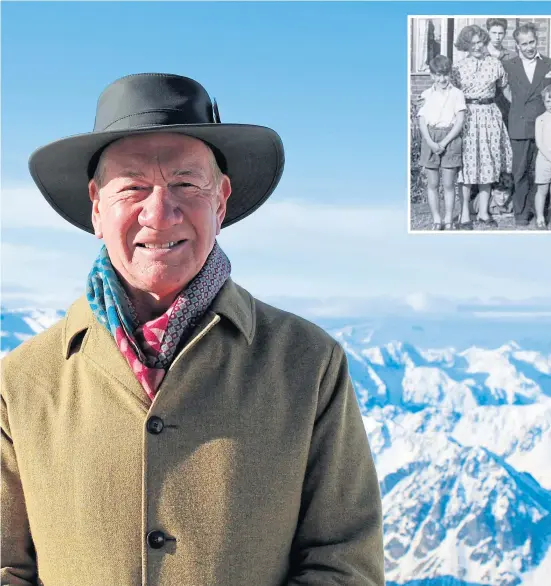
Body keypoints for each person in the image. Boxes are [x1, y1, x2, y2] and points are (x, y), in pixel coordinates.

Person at [1, 74, 385, 586]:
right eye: (133, 187)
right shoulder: (22, 382)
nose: (160, 213)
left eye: (185, 183)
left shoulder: (308, 364)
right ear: (96, 204)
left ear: (221, 200)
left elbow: (344, 562)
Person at [451, 24, 513, 230]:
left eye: (480, 42)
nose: (477, 46)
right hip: (467, 117)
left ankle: (485, 213)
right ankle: (465, 215)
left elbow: (506, 91)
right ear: (465, 45)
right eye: (472, 43)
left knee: (489, 164)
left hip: (490, 116)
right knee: (467, 167)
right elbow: (451, 97)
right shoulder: (458, 68)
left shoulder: (495, 64)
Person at [502, 23, 551, 228]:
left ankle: (542, 210)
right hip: (520, 125)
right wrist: (517, 105)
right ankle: (522, 213)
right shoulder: (509, 65)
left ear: (536, 40)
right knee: (520, 171)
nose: (529, 47)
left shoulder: (548, 64)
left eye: (532, 42)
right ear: (517, 45)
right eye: (524, 44)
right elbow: (503, 90)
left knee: (543, 170)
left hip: (544, 125)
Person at [417, 55, 466, 230]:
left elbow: (459, 122)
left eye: (445, 74)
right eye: (438, 75)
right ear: (432, 75)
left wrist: (444, 142)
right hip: (430, 138)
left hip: (450, 139)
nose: (442, 79)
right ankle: (437, 219)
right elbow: (422, 121)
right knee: (432, 184)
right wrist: (430, 142)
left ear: (450, 74)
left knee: (448, 184)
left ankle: (448, 220)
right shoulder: (426, 95)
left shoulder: (457, 94)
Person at [534, 85, 551, 229]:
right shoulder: (540, 119)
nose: (550, 104)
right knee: (542, 190)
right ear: (544, 102)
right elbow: (539, 142)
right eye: (548, 101)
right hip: (544, 160)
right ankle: (540, 217)